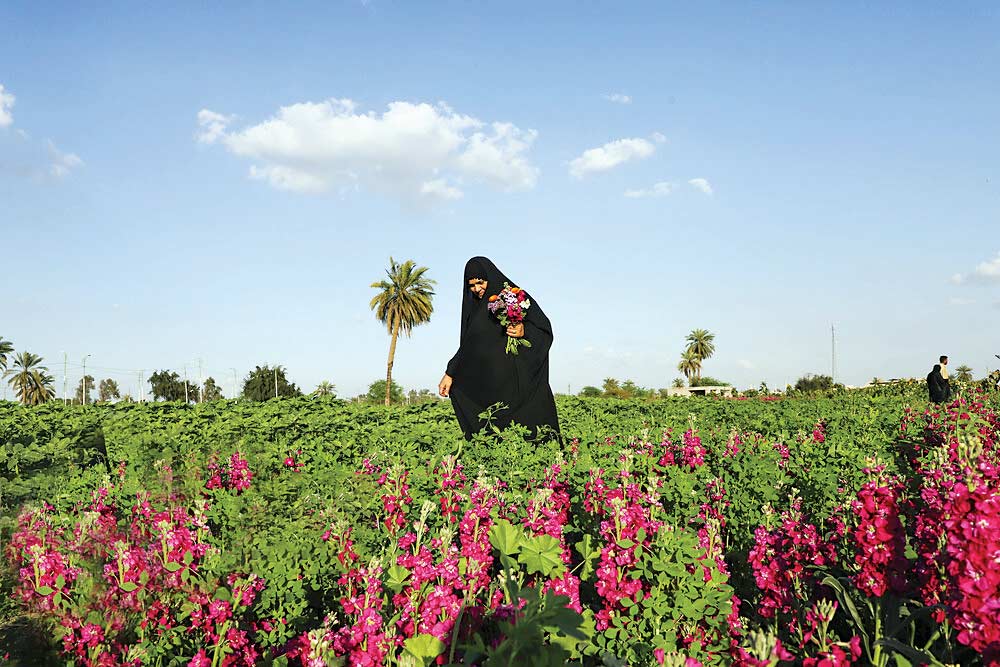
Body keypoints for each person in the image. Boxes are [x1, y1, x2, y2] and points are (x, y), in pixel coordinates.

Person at [438, 257, 559, 440]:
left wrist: (523, 330)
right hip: (492, 383)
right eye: (471, 285)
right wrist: (450, 372)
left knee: (530, 427)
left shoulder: (513, 296)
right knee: (494, 429)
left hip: (519, 379)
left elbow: (543, 329)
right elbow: (469, 346)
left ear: (490, 277)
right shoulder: (475, 310)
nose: (477, 289)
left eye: (480, 282)